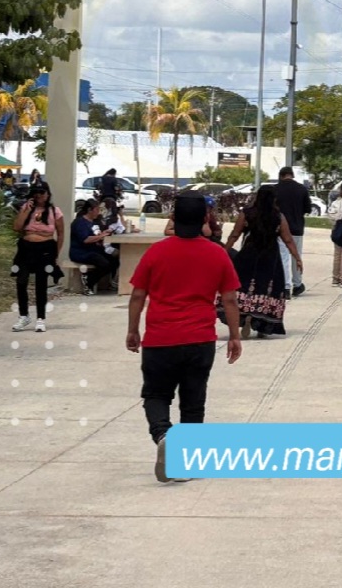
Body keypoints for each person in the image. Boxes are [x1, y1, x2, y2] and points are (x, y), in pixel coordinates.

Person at [126, 193, 242, 483]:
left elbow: (138, 295)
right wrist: (234, 335)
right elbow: (229, 299)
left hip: (160, 338)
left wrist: (133, 329)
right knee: (193, 400)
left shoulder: (156, 252)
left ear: (173, 219)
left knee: (156, 394)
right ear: (205, 219)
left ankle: (163, 434)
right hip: (199, 339)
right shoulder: (217, 254)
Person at [224, 185, 302, 338]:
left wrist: (224, 251)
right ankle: (262, 325)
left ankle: (246, 315)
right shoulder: (278, 217)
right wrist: (297, 258)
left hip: (249, 255)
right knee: (267, 288)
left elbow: (234, 235)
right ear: (274, 199)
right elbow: (288, 240)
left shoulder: (247, 214)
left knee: (245, 286)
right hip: (270, 257)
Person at [11, 182, 64, 332]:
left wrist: (56, 254)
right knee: (21, 281)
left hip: (45, 247)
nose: (39, 195)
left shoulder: (54, 211)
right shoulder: (27, 208)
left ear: (47, 194)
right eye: (36, 192)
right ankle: (23, 315)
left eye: (42, 192)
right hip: (26, 247)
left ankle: (41, 318)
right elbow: (17, 227)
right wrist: (26, 211)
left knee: (41, 283)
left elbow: (61, 234)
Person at [274, 166, 313, 297]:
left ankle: (285, 287)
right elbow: (308, 208)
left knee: (283, 257)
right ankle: (297, 284)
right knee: (296, 256)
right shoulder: (301, 189)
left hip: (280, 228)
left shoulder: (276, 189)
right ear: (292, 175)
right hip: (297, 227)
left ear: (281, 176)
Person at [70, 199, 119, 294]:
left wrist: (103, 234)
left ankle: (104, 283)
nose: (98, 212)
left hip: (93, 250)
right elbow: (85, 239)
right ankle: (88, 281)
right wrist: (100, 236)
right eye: (96, 210)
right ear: (89, 210)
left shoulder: (93, 222)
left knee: (114, 260)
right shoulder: (80, 222)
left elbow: (95, 235)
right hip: (81, 252)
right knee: (104, 264)